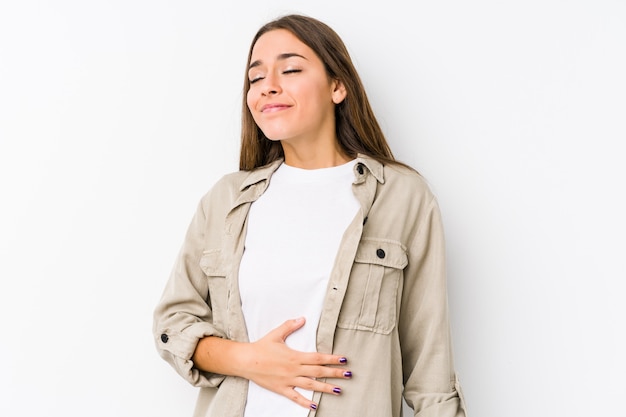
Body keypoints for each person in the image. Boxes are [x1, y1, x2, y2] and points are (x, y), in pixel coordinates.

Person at [153, 13, 467, 417]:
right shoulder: (226, 200)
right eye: (255, 78)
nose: (268, 87)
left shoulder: (402, 197)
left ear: (338, 86)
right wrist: (250, 361)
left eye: (291, 69)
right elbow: (173, 323)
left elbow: (431, 375)